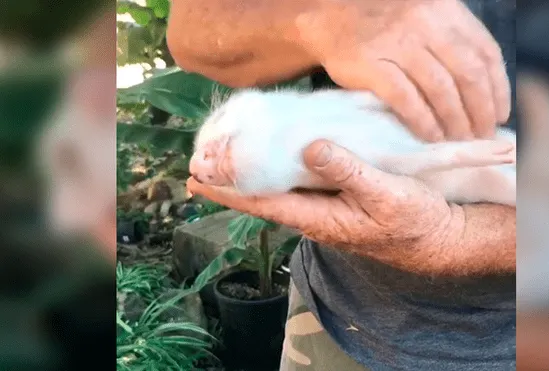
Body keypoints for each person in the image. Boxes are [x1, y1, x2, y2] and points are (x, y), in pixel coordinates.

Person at [167, 0, 516, 370]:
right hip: (330, 312)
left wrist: (453, 235)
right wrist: (319, 23)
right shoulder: (307, 128)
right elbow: (189, 32)